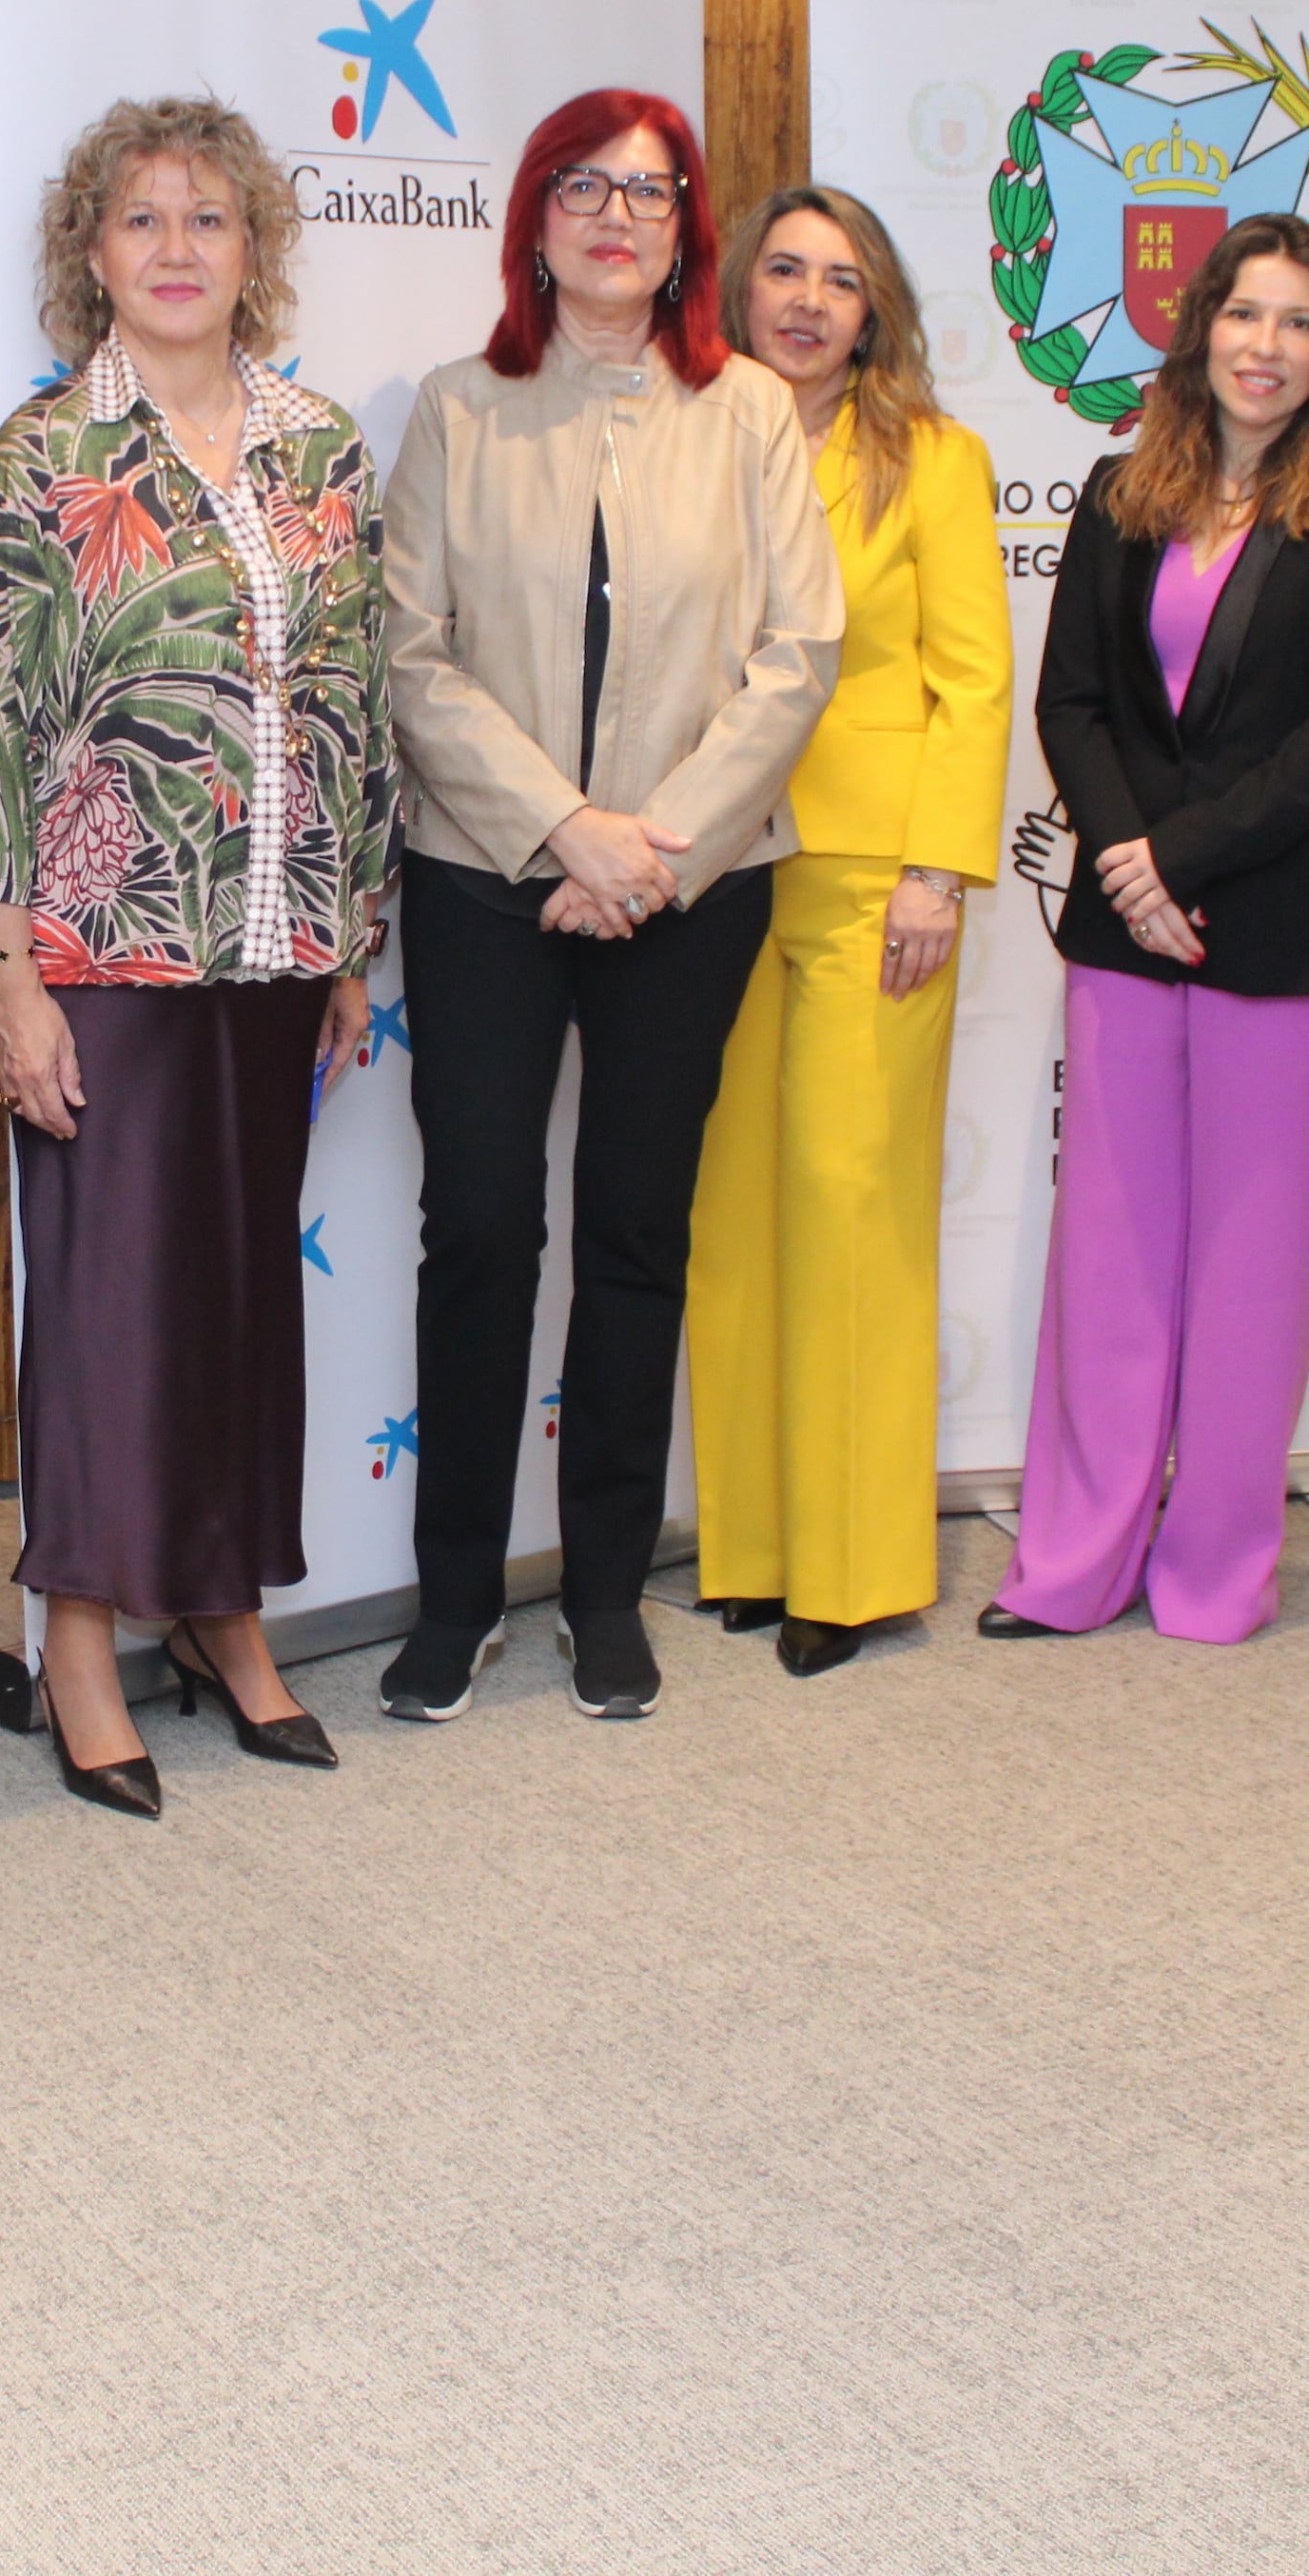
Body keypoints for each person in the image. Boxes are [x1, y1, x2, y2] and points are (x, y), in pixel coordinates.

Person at [0, 98, 385, 1815]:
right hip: (101, 946)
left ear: (254, 248)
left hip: (280, 942)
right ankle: (77, 1640)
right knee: (113, 1306)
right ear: (93, 253)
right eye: (142, 219)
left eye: (209, 218)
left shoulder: (320, 448)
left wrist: (351, 934)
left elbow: (351, 700)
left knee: (240, 1299)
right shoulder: (46, 454)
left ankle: (220, 1611)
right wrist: (7, 981)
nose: (177, 247)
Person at [378, 88, 839, 1726]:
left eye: (650, 192)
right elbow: (411, 655)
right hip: (485, 878)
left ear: (686, 229)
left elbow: (800, 653)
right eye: (584, 186)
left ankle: (601, 1589)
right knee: (480, 1226)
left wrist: (655, 849)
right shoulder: (458, 407)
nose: (617, 216)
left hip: (690, 886)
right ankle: (455, 1597)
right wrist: (567, 830)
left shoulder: (751, 413)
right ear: (536, 219)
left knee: (638, 1233)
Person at [994, 212, 1309, 1647]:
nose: (1267, 346)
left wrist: (1173, 859)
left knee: (1253, 1275)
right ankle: (1073, 1564)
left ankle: (1216, 1572)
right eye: (1246, 314)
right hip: (1129, 929)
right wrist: (1135, 872)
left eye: (1301, 321)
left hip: (1293, 936)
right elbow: (1070, 703)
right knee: (1110, 1261)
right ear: (1202, 327)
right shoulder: (1123, 489)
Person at [685, 186, 1011, 1677]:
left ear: (875, 310)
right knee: (735, 1212)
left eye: (841, 279)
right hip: (712, 866)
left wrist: (940, 867)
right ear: (741, 288)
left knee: (850, 1208)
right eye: (785, 270)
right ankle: (758, 1546)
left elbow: (974, 677)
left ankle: (858, 1564)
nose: (808, 301)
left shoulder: (935, 459)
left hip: (877, 877)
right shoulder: (694, 436)